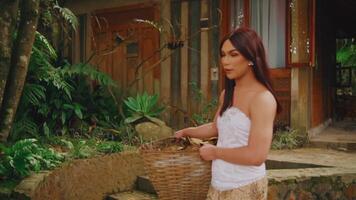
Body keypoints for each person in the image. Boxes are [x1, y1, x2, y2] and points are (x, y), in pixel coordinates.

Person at [175, 27, 281, 200]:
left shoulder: (263, 99)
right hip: (218, 183)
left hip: (245, 186)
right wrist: (186, 132)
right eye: (223, 55)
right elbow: (215, 127)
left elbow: (257, 155)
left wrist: (215, 152)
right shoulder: (228, 93)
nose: (225, 61)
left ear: (251, 58)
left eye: (233, 54)